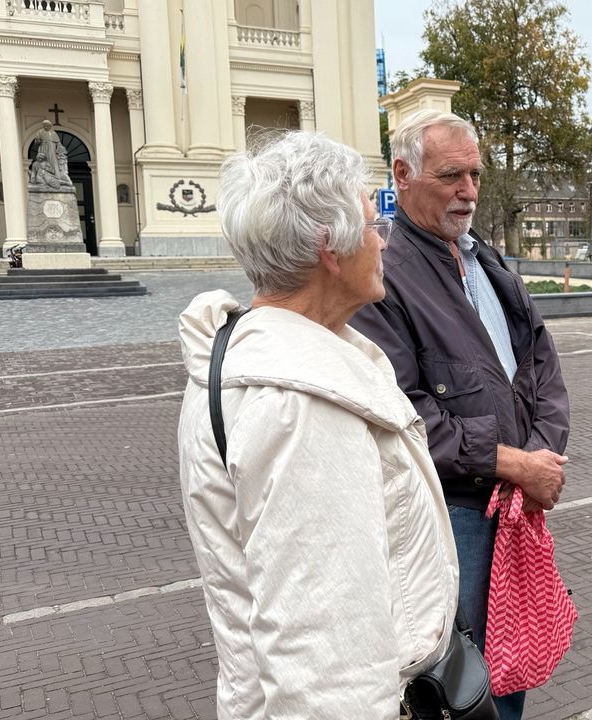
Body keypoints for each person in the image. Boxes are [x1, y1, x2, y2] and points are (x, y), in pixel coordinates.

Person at [176, 130, 459, 719]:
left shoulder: (239, 360)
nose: (383, 240)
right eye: (371, 222)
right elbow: (328, 659)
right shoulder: (303, 404)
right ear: (331, 246)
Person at [350, 109, 570, 720]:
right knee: (456, 684)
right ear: (404, 174)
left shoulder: (488, 263)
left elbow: (541, 363)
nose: (468, 190)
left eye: (474, 173)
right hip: (455, 514)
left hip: (514, 504)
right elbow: (405, 415)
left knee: (509, 660)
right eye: (451, 175)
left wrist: (542, 454)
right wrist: (514, 463)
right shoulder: (384, 279)